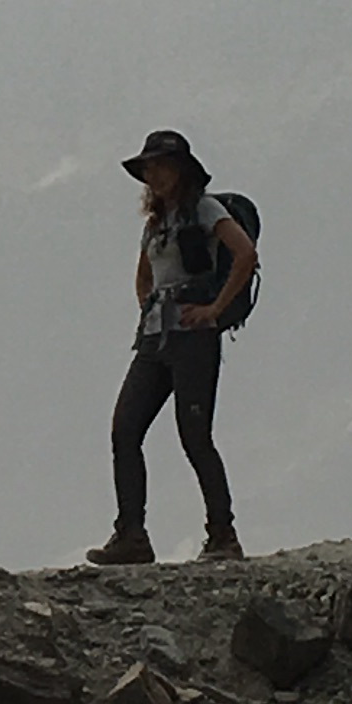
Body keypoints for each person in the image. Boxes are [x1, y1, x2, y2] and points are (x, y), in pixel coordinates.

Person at [87, 128, 256, 565]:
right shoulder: (155, 225)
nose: (155, 175)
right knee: (125, 428)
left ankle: (223, 536)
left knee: (194, 436)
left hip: (194, 340)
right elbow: (144, 276)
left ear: (181, 170)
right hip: (156, 339)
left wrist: (214, 309)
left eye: (161, 166)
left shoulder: (205, 209)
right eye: (150, 168)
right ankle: (131, 535)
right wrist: (148, 309)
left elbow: (245, 253)